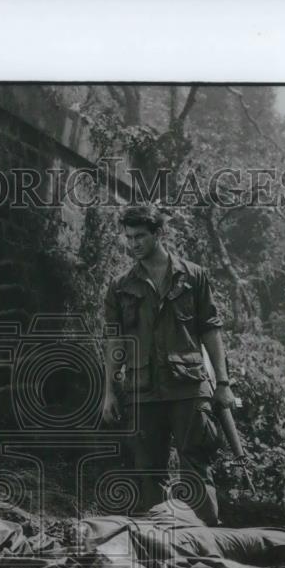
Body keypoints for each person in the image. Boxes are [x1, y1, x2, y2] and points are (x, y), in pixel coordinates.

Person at [101, 205, 235, 526]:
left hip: (189, 386)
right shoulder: (120, 286)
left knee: (196, 470)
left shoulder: (193, 276)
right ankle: (160, 548)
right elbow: (114, 343)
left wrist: (224, 383)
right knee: (149, 474)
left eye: (140, 236)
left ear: (158, 234)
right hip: (142, 391)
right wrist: (108, 391)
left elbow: (210, 330)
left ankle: (207, 542)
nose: (132, 244)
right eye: (128, 237)